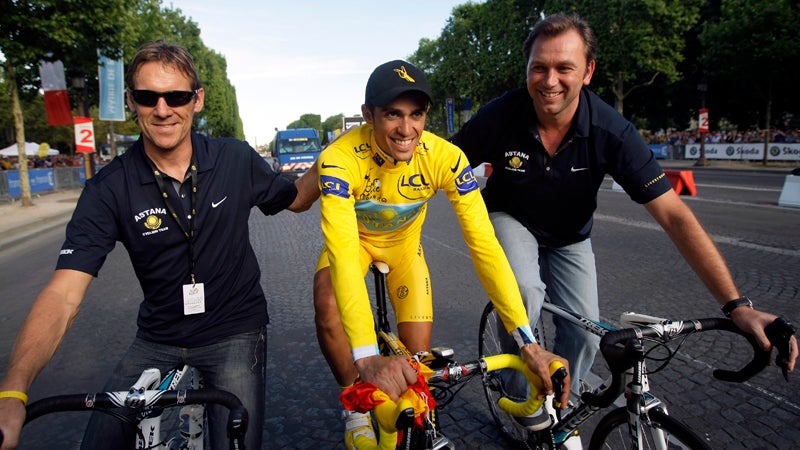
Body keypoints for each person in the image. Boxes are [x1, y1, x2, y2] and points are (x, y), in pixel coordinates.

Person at [451, 12, 798, 400]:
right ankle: (519, 397)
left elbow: (675, 217)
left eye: (564, 67)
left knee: (585, 333)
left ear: (588, 71)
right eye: (539, 68)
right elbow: (441, 162)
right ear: (527, 69)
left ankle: (561, 403)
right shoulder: (499, 116)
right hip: (510, 216)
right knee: (525, 292)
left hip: (569, 236)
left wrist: (736, 306)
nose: (550, 81)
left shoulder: (612, 131)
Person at [0, 40, 319, 450]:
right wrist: (13, 390)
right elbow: (63, 293)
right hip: (157, 337)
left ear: (197, 100)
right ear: (131, 101)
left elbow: (296, 199)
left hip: (234, 331)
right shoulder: (108, 188)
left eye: (177, 96)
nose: (163, 109)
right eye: (148, 97)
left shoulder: (235, 159)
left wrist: (338, 158)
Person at [312, 59, 570, 449]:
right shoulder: (339, 158)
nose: (406, 129)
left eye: (416, 115)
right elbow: (345, 253)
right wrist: (364, 357)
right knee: (328, 306)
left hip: (403, 250)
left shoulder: (445, 157)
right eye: (392, 115)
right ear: (368, 115)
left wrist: (526, 341)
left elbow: (484, 244)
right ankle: (354, 404)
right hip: (356, 244)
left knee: (418, 366)